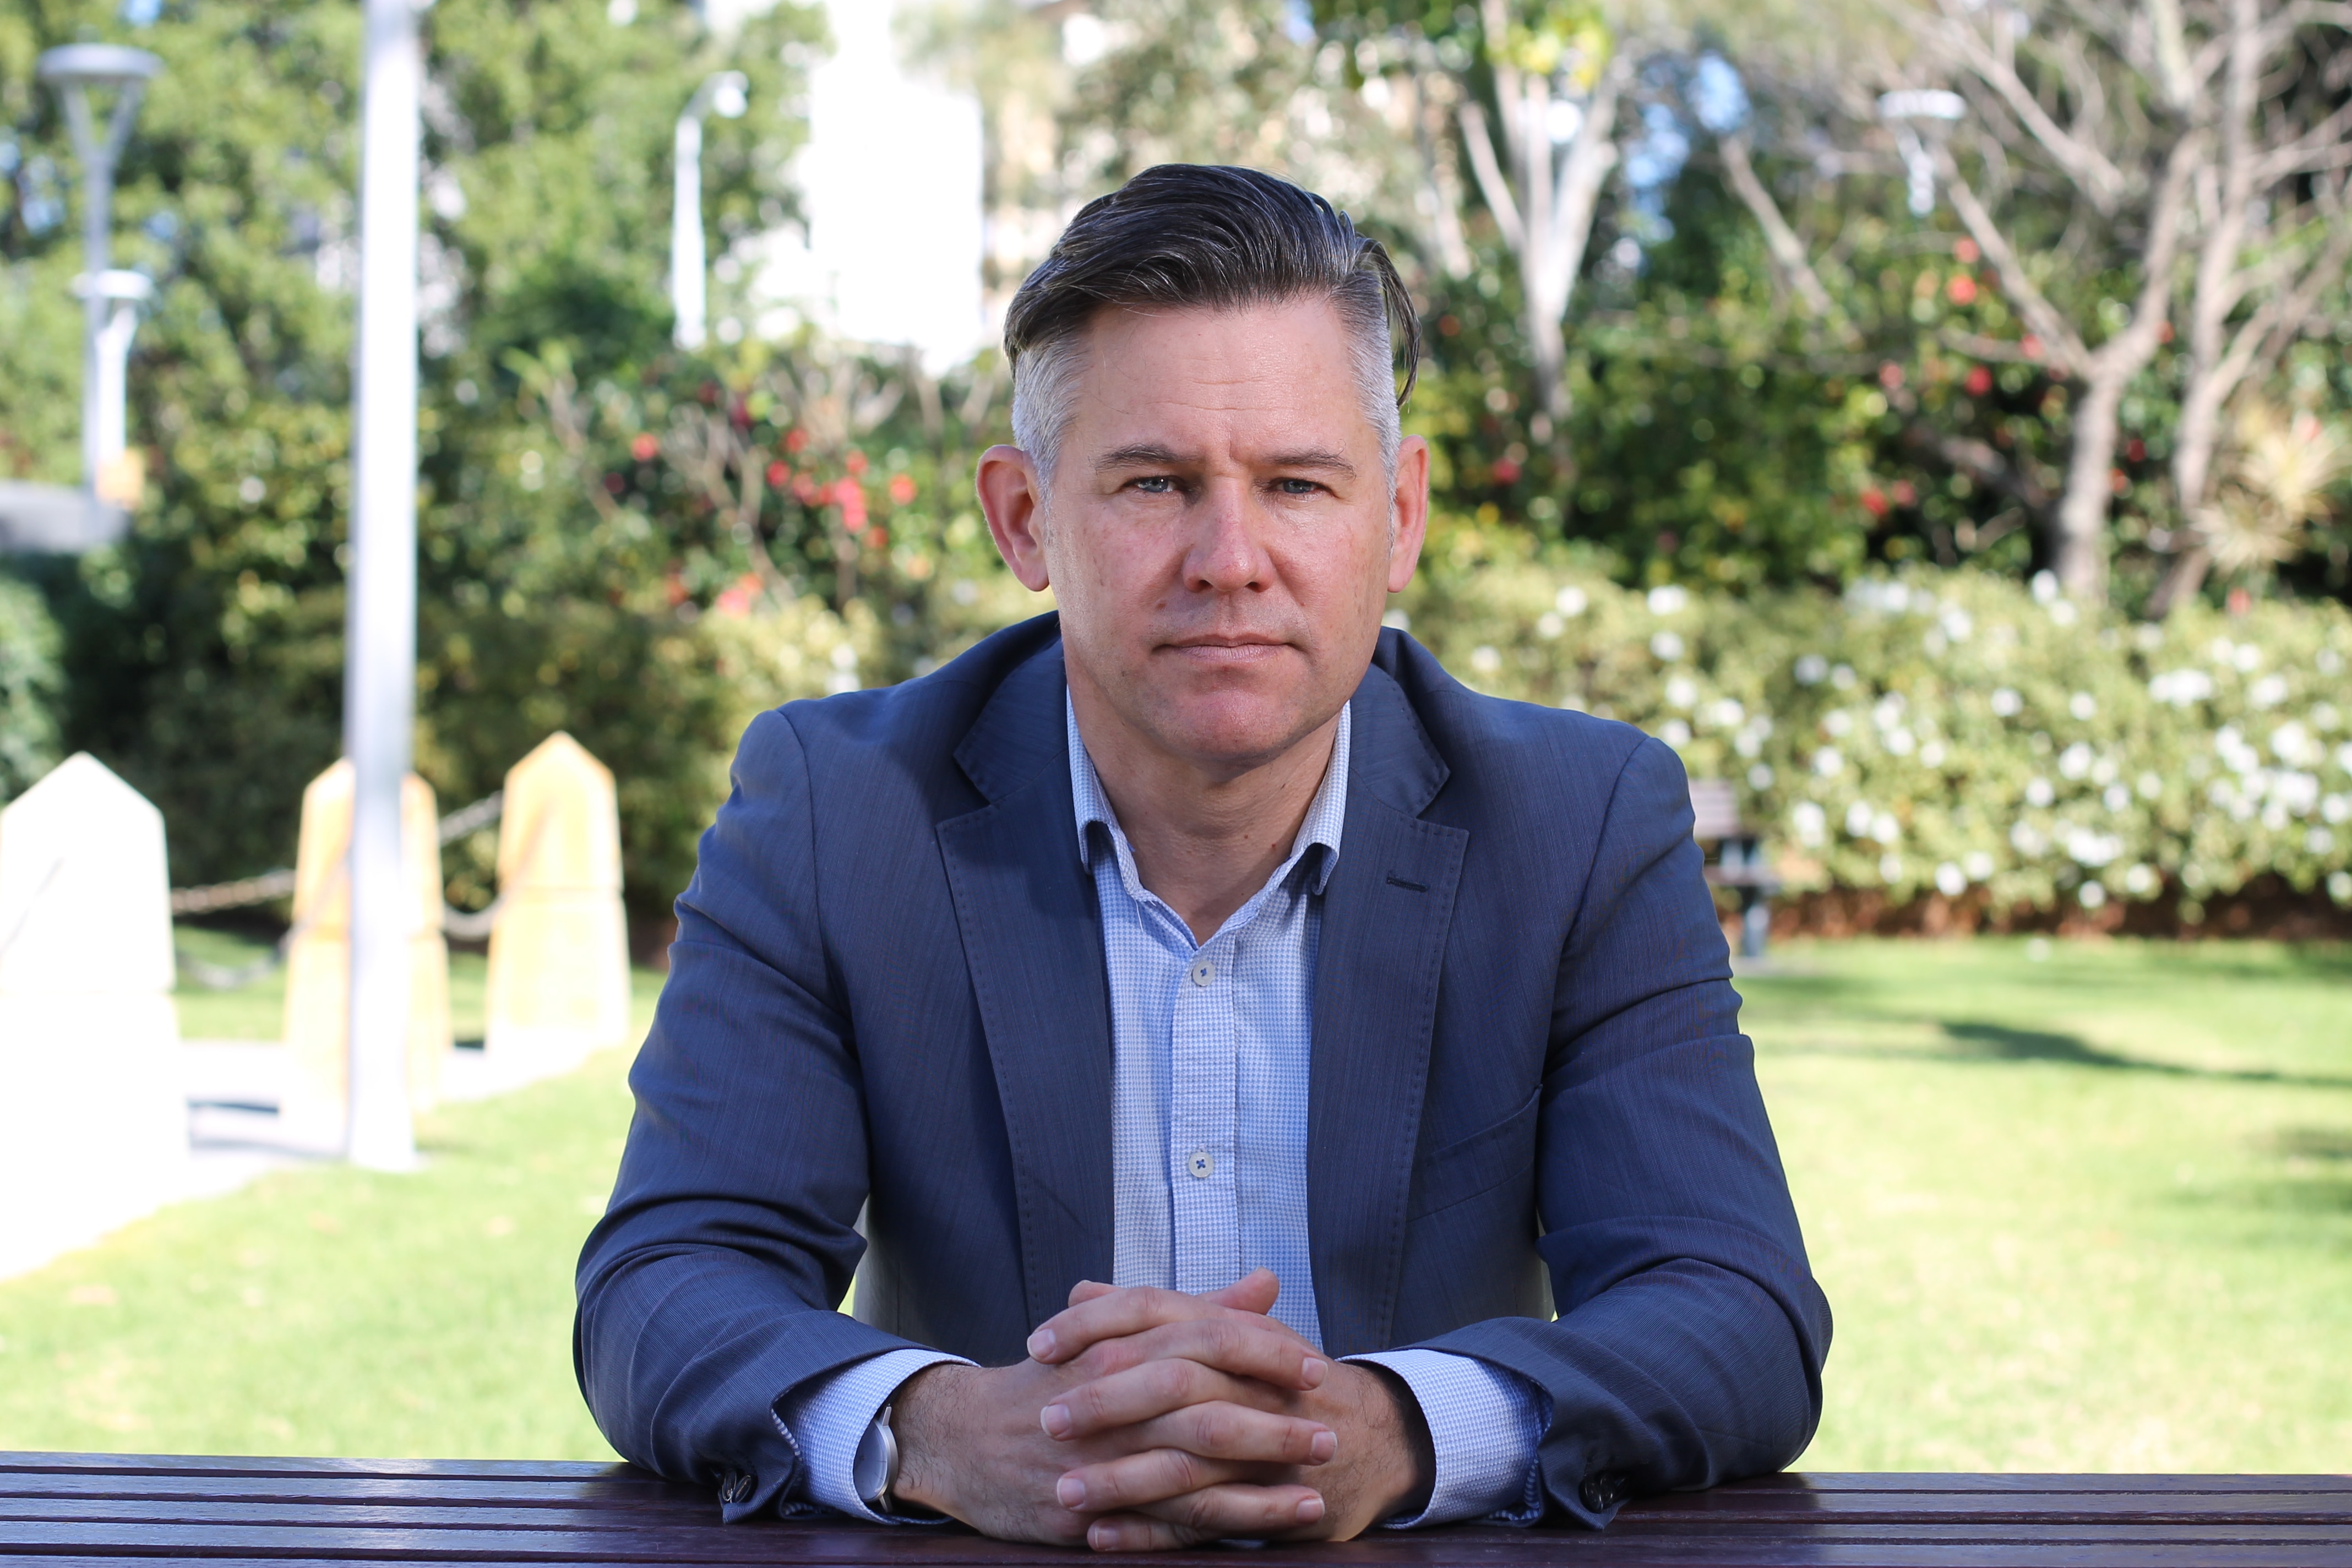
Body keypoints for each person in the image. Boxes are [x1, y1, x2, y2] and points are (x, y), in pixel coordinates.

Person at [575, 163, 1830, 1551]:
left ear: (1398, 516)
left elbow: (1734, 1306)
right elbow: (667, 1278)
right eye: (1155, 482)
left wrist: (1397, 1429)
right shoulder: (838, 808)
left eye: (1297, 482)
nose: (1230, 558)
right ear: (1023, 518)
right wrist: (938, 1430)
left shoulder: (1576, 822)